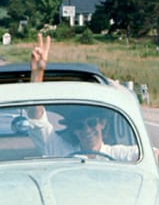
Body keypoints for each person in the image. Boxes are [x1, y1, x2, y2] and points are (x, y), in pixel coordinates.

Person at [25, 33, 140, 162]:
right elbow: (37, 119)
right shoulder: (63, 151)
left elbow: (147, 155)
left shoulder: (117, 154)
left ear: (102, 123)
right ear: (74, 131)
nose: (87, 130)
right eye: (79, 126)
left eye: (92, 123)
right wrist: (37, 74)